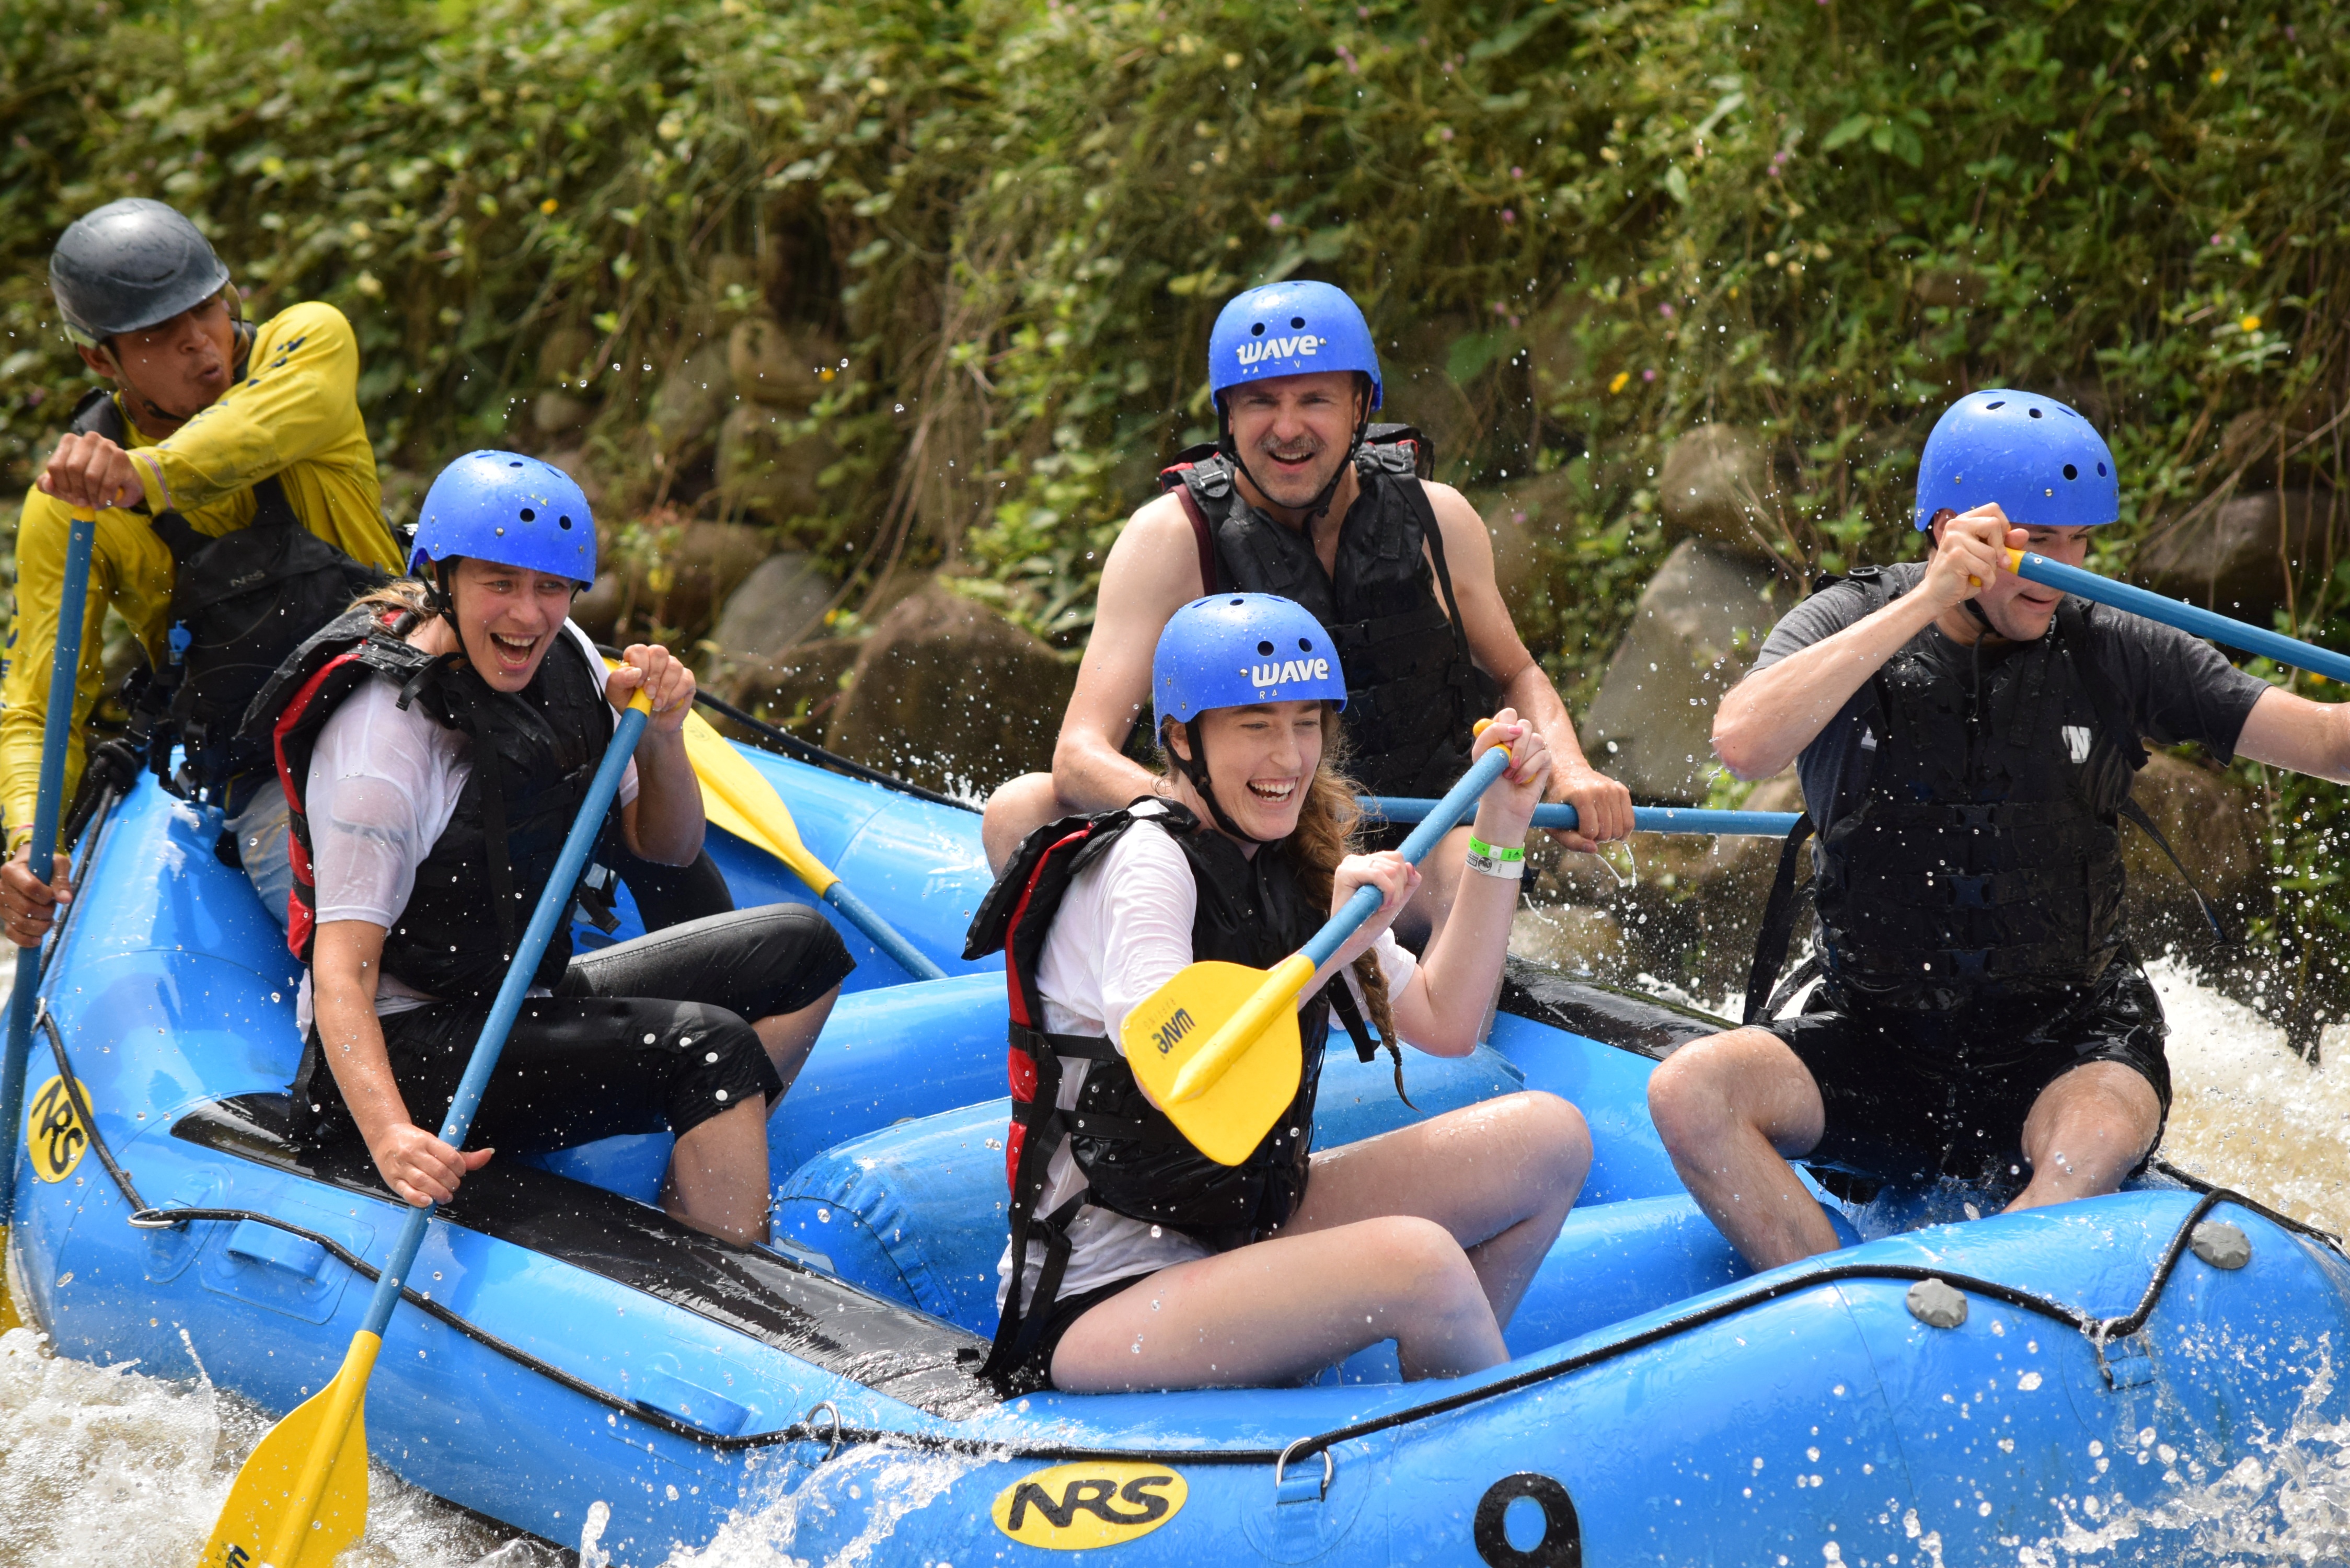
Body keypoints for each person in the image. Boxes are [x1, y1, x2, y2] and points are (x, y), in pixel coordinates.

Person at [1646, 390, 2350, 1271]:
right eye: (2038, 539)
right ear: (1952, 529)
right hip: (1879, 1039)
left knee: (2094, 1138)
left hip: (2068, 1041)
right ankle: (1838, 1297)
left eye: (2080, 541)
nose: (2064, 568)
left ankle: (1993, 1280)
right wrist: (1926, 600)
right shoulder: (1847, 620)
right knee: (1689, 1091)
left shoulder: (2116, 646)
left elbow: (2325, 742)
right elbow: (1744, 743)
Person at [968, 592, 1590, 1392]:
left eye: (1306, 724)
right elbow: (1176, 1070)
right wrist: (1329, 954)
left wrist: (1502, 828)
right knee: (1421, 1262)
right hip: (1102, 1295)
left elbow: (1450, 1022)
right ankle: (1461, 1422)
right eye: (1256, 726)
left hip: (1249, 1223)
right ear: (1183, 739)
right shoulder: (1145, 862)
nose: (1290, 758)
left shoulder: (1295, 858)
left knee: (1548, 1140)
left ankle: (1434, 1392)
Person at [257, 451, 854, 1244]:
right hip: (413, 1044)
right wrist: (393, 1136)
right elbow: (342, 973)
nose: (528, 614)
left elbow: (668, 848)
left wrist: (663, 738)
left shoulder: (562, 653)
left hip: (521, 994)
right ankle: (718, 1259)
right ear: (444, 579)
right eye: (499, 584)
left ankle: (693, 1197)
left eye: (550, 587)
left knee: (803, 949)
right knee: (711, 1048)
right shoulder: (382, 744)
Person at [980, 280, 1632, 942]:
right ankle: (1112, 986)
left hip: (1412, 855)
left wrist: (1570, 770)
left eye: (1314, 400)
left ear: (1359, 407)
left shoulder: (1438, 521)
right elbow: (1079, 754)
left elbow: (1518, 673)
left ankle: (1439, 999)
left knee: (1466, 862)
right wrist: (1205, 815)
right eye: (1261, 402)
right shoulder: (1171, 538)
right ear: (1227, 415)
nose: (1286, 429)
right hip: (1242, 851)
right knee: (1022, 808)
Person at [2, 197, 403, 949]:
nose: (198, 341)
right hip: (272, 769)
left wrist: (143, 475)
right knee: (371, 947)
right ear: (100, 360)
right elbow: (38, 709)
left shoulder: (307, 342)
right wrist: (32, 839)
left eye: (207, 309)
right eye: (157, 333)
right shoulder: (69, 511)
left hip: (417, 689)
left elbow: (247, 433)